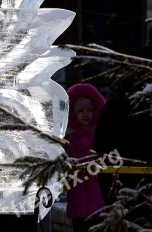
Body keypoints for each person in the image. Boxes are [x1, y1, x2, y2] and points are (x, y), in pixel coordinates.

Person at [92, 45, 152, 207]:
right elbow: (103, 151)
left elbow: (101, 151)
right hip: (122, 184)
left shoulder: (115, 106)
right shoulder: (116, 107)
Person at [64, 82, 106, 232]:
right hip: (77, 195)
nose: (86, 114)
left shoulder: (102, 136)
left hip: (100, 198)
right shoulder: (69, 140)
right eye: (81, 111)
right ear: (74, 114)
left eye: (89, 110)